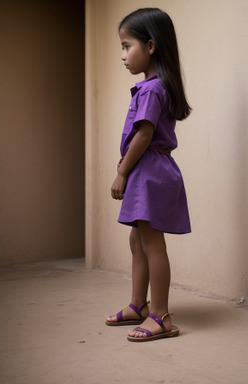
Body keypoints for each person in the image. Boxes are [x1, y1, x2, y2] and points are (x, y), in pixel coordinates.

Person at [105, 8, 191, 342]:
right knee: (138, 240)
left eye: (127, 46)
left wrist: (122, 172)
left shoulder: (153, 90)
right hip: (150, 170)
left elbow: (143, 134)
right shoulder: (151, 88)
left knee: (152, 243)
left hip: (149, 171)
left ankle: (161, 316)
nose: (123, 55)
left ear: (151, 46)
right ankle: (139, 305)